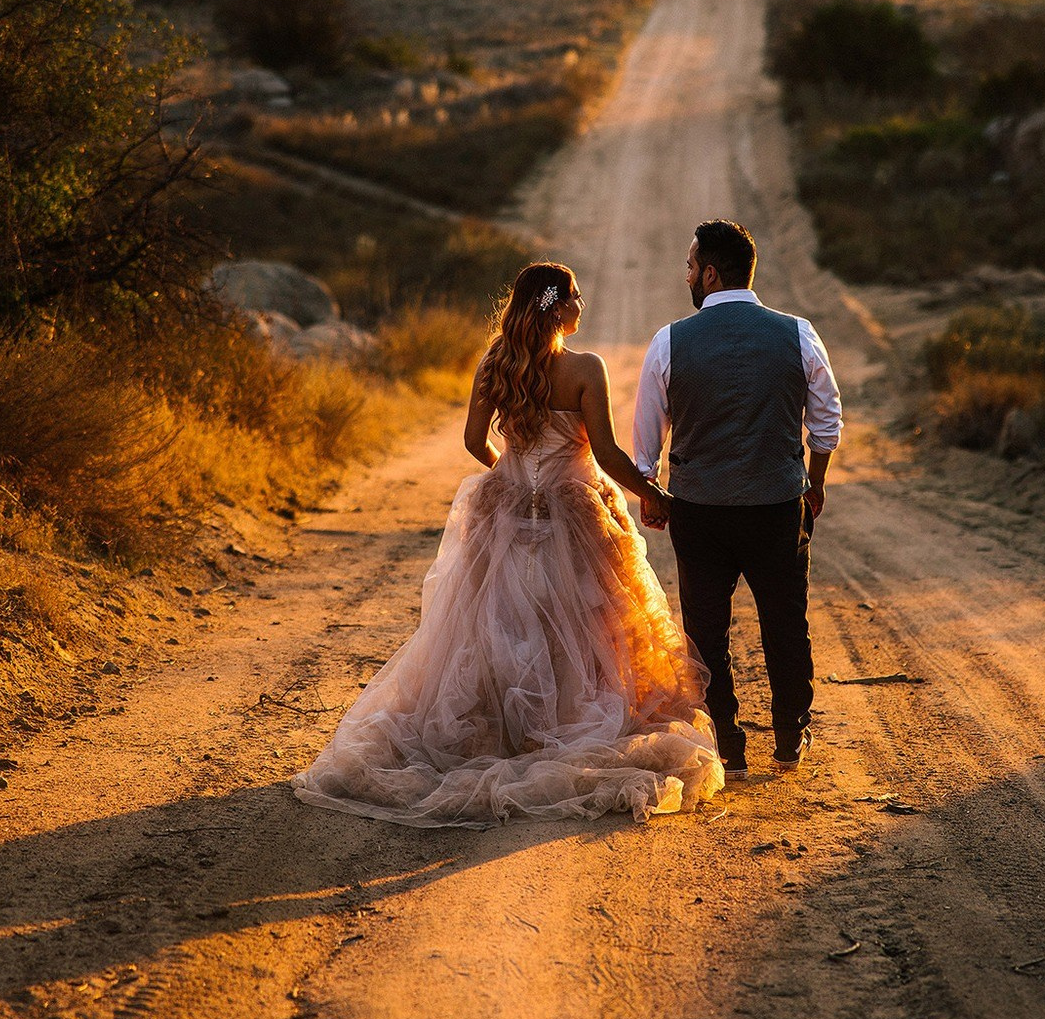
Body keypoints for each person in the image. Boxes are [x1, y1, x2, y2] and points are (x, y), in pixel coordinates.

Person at [292, 263, 725, 827]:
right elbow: (611, 456)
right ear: (555, 307)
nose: (582, 304)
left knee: (498, 619)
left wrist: (513, 479)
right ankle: (563, 720)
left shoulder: (496, 363)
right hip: (576, 513)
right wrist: (654, 494)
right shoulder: (584, 368)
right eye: (574, 296)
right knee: (584, 623)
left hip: (509, 510)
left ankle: (504, 724)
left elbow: (474, 441)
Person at [632, 219, 843, 780]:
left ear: (709, 272)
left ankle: (727, 739)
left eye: (689, 265)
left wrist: (653, 494)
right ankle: (790, 733)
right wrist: (814, 481)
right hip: (777, 505)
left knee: (705, 629)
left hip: (700, 510)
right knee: (785, 619)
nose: (686, 275)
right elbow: (826, 423)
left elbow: (645, 442)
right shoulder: (797, 333)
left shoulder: (669, 341)